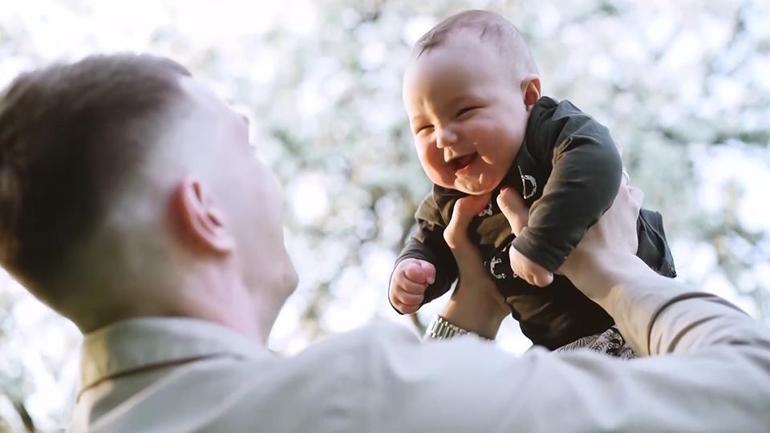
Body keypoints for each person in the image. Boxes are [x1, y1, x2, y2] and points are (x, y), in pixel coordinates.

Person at [1, 54, 769, 433]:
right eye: (247, 148)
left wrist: (467, 312)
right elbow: (748, 394)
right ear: (204, 211)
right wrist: (617, 274)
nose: (269, 183)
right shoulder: (357, 395)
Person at [389, 10, 676, 351]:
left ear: (527, 97)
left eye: (464, 112)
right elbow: (428, 239)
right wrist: (412, 271)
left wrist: (542, 242)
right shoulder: (448, 199)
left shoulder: (546, 132)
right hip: (558, 347)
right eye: (425, 128)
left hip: (631, 314)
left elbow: (595, 156)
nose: (443, 137)